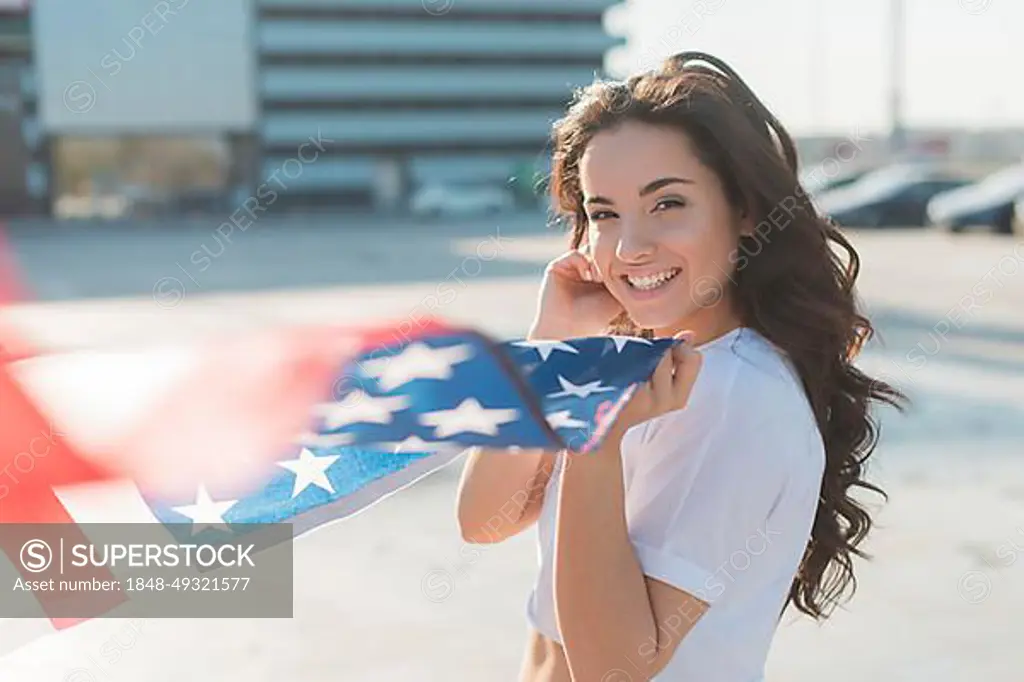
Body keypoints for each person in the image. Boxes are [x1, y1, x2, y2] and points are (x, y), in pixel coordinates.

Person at [455, 52, 903, 682]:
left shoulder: (735, 396)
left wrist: (594, 438)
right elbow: (483, 518)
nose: (630, 246)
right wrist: (550, 345)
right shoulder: (652, 369)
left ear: (743, 210)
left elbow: (612, 668)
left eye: (666, 204)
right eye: (604, 213)